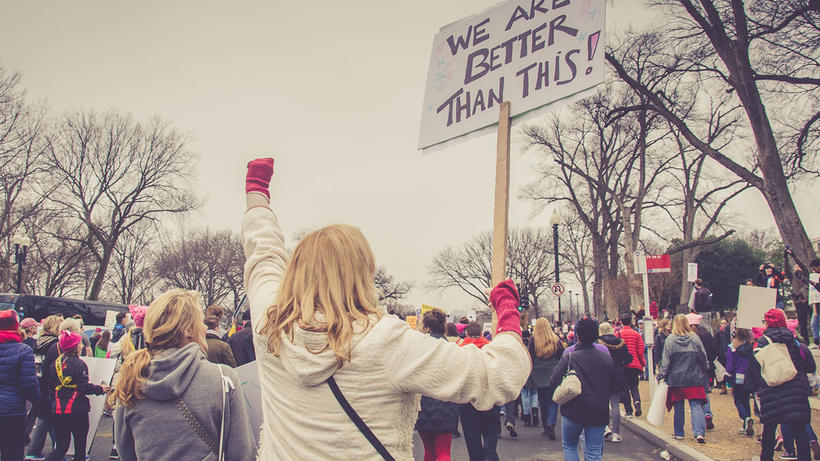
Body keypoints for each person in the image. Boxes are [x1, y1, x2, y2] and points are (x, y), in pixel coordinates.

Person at [240, 157, 530, 461]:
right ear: (362, 274)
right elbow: (499, 376)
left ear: (296, 270)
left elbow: (263, 254)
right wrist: (507, 307)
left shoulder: (269, 324)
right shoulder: (384, 340)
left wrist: (257, 196)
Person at [114, 289, 255, 461]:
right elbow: (242, 453)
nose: (204, 327)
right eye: (200, 321)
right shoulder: (223, 379)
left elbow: (126, 453)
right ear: (188, 329)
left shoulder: (131, 379)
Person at [750, 308, 813, 461]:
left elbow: (756, 366)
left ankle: (767, 458)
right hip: (794, 388)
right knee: (800, 432)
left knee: (769, 433)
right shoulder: (793, 340)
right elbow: (801, 363)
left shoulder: (763, 341)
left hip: (772, 389)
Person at [547, 318, 615, 461]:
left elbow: (553, 381)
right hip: (599, 410)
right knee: (594, 451)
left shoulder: (569, 357)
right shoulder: (606, 358)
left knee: (570, 445)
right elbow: (615, 384)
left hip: (573, 410)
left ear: (577, 336)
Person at [44, 330, 108, 461]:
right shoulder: (80, 364)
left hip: (58, 409)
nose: (83, 346)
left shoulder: (56, 363)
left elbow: (50, 384)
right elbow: (83, 387)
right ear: (75, 346)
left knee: (61, 447)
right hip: (77, 409)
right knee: (80, 448)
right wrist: (100, 389)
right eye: (80, 343)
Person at [415, 309, 459, 461]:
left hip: (424, 403)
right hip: (446, 403)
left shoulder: (419, 349)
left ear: (426, 327)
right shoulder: (452, 349)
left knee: (429, 452)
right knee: (443, 453)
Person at [657, 314, 709, 443]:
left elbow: (666, 361)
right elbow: (703, 356)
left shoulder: (670, 340)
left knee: (678, 406)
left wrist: (661, 375)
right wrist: (704, 368)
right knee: (696, 405)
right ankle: (699, 433)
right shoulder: (695, 339)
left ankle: (679, 432)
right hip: (694, 376)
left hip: (676, 378)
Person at [0, 309, 40, 461]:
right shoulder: (24, 351)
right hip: (12, 411)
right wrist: (36, 398)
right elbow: (28, 384)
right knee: (12, 454)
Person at [26, 315, 62, 461]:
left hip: (37, 382)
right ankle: (52, 451)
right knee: (47, 418)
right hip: (48, 385)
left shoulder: (37, 342)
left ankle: (38, 450)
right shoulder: (55, 344)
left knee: (44, 417)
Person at [598, 321, 633, 443]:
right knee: (615, 404)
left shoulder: (599, 343)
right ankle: (616, 432)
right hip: (618, 374)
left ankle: (606, 427)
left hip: (603, 374)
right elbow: (628, 358)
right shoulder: (620, 343)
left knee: (603, 402)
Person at [529, 318, 563, 440]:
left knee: (542, 401)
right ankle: (551, 421)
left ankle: (546, 425)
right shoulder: (556, 340)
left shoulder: (533, 341)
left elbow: (530, 357)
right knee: (554, 400)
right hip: (553, 372)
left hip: (539, 374)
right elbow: (561, 356)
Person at [725, 328, 755, 436]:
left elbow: (730, 364)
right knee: (745, 399)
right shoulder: (749, 346)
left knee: (738, 400)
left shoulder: (732, 347)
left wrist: (728, 378)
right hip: (748, 376)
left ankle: (745, 418)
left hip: (737, 376)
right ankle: (748, 420)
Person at [617, 312, 645, 417]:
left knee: (624, 389)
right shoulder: (637, 334)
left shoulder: (617, 334)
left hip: (623, 365)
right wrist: (642, 364)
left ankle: (628, 410)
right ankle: (637, 402)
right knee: (634, 386)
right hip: (635, 364)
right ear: (631, 321)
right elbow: (640, 351)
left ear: (621, 322)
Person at [714, 317, 732, 392]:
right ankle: (723, 386)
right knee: (722, 371)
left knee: (730, 370)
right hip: (721, 354)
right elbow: (716, 344)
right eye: (722, 323)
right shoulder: (718, 333)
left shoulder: (729, 333)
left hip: (728, 353)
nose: (723, 325)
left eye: (725, 323)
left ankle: (731, 387)